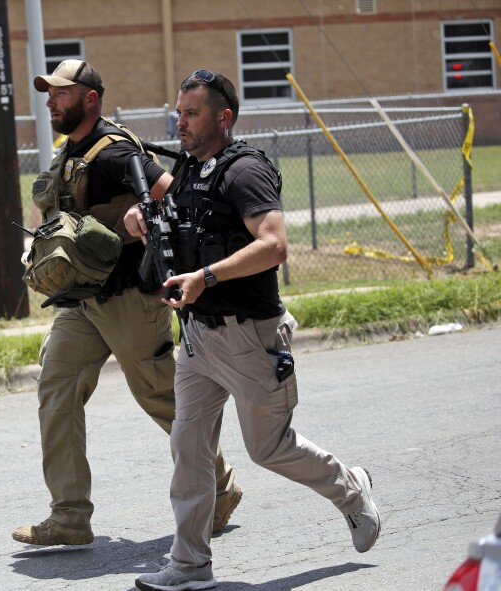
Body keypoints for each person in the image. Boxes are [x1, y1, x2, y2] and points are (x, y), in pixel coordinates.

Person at [127, 70, 381, 590]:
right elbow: (179, 218)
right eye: (177, 112)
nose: (181, 122)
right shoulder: (194, 171)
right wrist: (144, 216)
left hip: (250, 337)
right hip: (199, 337)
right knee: (188, 444)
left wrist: (206, 277)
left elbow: (274, 244)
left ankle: (352, 490)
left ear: (223, 118)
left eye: (191, 113)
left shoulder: (245, 172)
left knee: (269, 448)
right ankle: (190, 565)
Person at [11, 60, 243, 547]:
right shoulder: (70, 151)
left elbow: (174, 194)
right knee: (57, 389)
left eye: (61, 93)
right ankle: (70, 516)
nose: (50, 100)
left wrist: (146, 208)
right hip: (81, 301)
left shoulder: (114, 151)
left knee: (162, 397)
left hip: (129, 300)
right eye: (48, 93)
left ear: (89, 99)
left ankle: (219, 490)